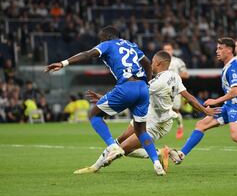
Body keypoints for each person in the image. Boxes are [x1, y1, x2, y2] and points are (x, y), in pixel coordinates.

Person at [73, 51, 219, 174]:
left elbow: (128, 96)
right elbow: (190, 98)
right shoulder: (174, 76)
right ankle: (95, 167)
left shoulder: (157, 83)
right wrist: (204, 110)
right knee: (120, 139)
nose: (150, 65)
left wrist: (105, 99)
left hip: (157, 124)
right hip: (146, 116)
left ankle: (160, 153)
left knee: (122, 150)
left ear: (159, 63)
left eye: (153, 62)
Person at [45, 26, 165, 175]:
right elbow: (147, 63)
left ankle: (113, 146)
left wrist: (63, 63)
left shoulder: (107, 44)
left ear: (107, 37)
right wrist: (147, 82)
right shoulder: (131, 45)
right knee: (140, 130)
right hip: (142, 88)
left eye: (101, 39)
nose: (99, 41)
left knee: (94, 115)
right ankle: (156, 164)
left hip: (126, 86)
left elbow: (88, 54)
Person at [168, 37, 237, 168]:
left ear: (229, 50)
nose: (217, 51)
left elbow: (236, 92)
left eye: (220, 48)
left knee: (236, 135)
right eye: (217, 48)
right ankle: (181, 154)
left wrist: (216, 101)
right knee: (201, 124)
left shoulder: (234, 67)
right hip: (229, 106)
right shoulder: (227, 66)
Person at [163, 42, 189, 139]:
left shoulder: (178, 61)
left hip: (175, 90)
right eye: (165, 49)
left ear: (172, 50)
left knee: (175, 109)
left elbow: (186, 74)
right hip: (162, 90)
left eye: (169, 49)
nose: (167, 51)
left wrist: (174, 76)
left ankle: (180, 126)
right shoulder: (160, 61)